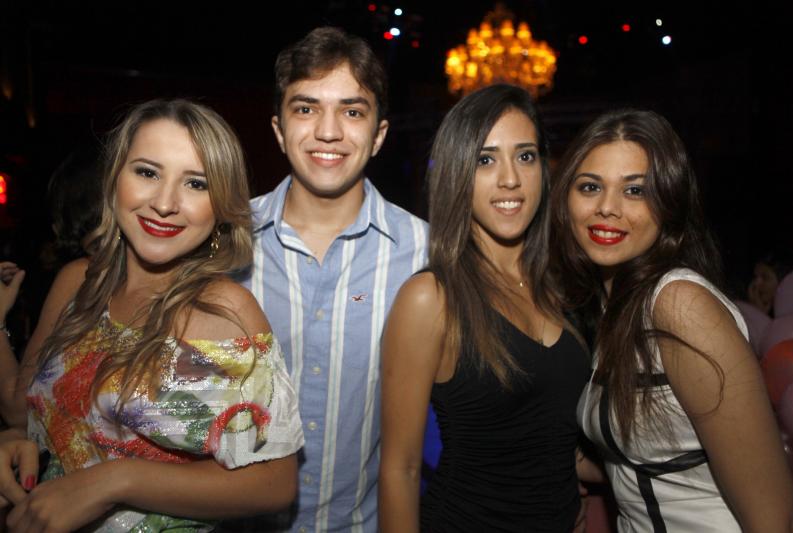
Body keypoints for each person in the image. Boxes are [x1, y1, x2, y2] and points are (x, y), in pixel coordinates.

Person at [0, 99, 304, 531]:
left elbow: (274, 482)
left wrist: (116, 481)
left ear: (221, 205)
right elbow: (22, 413)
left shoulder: (225, 311)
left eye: (196, 183)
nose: (165, 203)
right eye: (147, 173)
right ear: (114, 179)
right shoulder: (77, 283)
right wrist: (14, 445)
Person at [549, 108, 793, 532]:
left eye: (635, 190)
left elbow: (776, 519)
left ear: (669, 204)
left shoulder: (679, 305)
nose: (607, 208)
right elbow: (646, 462)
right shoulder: (617, 308)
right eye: (590, 186)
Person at [238, 27, 427, 531]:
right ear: (279, 130)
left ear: (378, 135)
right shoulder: (223, 243)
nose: (328, 131)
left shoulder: (425, 254)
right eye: (306, 108)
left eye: (352, 111)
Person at [379, 84, 590, 532]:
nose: (510, 178)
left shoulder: (556, 288)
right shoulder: (431, 298)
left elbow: (550, 434)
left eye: (525, 156)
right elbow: (400, 470)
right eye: (485, 160)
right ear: (458, 173)